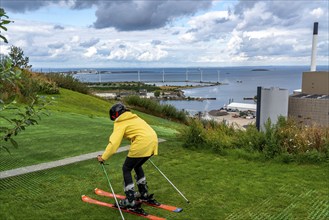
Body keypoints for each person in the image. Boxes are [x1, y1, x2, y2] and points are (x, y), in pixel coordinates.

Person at [97, 103, 159, 211]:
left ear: (115, 115)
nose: (114, 118)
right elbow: (140, 132)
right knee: (137, 165)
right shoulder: (134, 117)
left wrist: (103, 157)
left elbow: (114, 143)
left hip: (142, 144)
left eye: (113, 116)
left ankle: (130, 201)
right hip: (153, 142)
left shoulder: (120, 122)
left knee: (126, 168)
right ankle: (143, 194)